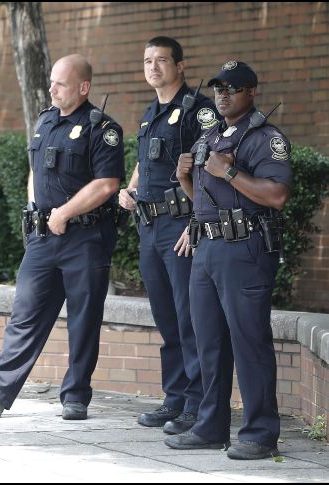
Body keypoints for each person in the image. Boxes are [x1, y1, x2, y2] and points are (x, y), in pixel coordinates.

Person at [0, 54, 124, 420]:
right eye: (51, 82)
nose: (52, 88)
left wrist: (64, 213)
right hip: (44, 238)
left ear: (83, 87)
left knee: (83, 318)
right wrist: (36, 212)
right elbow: (36, 170)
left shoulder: (101, 128)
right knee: (24, 313)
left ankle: (75, 397)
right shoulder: (46, 120)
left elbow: (107, 183)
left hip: (86, 238)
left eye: (60, 83)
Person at [165, 61, 291, 460]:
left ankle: (259, 433)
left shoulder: (265, 138)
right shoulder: (210, 135)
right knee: (209, 344)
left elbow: (276, 195)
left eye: (233, 88)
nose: (223, 94)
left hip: (246, 250)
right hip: (207, 249)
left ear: (252, 92)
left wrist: (231, 170)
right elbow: (203, 198)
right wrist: (186, 176)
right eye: (219, 87)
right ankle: (210, 426)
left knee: (249, 342)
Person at [118, 37, 219, 434]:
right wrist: (129, 189)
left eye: (162, 60)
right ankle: (174, 398)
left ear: (181, 65)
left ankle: (197, 405)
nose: (153, 67)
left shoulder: (199, 111)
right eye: (147, 60)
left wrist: (197, 223)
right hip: (150, 226)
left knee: (189, 318)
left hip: (181, 227)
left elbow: (212, 166)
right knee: (166, 318)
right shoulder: (149, 114)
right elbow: (145, 163)